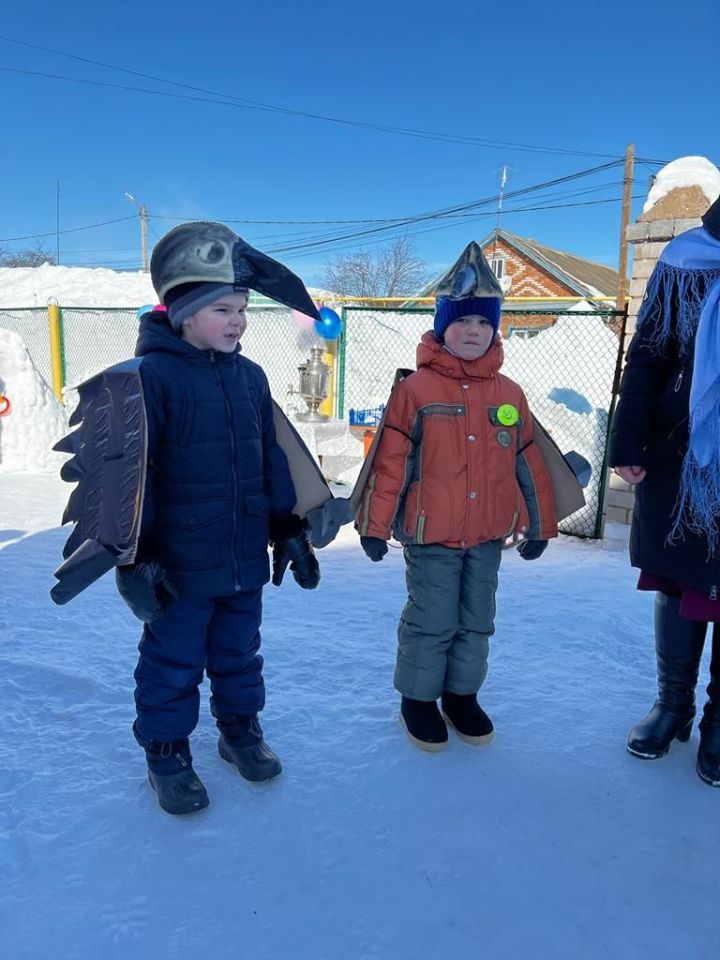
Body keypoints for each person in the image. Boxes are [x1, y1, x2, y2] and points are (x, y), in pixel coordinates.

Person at [116, 222, 320, 814]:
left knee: (239, 652)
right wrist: (136, 556)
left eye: (244, 308)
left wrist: (287, 529)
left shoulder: (250, 377)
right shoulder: (151, 379)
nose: (238, 320)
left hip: (242, 555)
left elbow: (270, 460)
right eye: (223, 309)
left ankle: (240, 730)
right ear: (183, 313)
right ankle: (166, 751)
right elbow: (133, 477)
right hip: (178, 564)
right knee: (172, 658)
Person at [355, 242, 558, 751]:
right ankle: (419, 699)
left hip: (488, 534)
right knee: (432, 618)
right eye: (463, 321)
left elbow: (529, 462)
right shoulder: (416, 391)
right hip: (432, 534)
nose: (474, 331)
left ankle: (461, 695)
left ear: (496, 330)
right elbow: (390, 462)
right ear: (442, 326)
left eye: (484, 323)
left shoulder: (509, 394)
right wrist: (375, 526)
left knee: (477, 619)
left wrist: (541, 524)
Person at [609, 198, 720, 787]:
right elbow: (650, 353)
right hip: (684, 453)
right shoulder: (685, 262)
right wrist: (628, 440)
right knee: (681, 578)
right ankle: (672, 705)